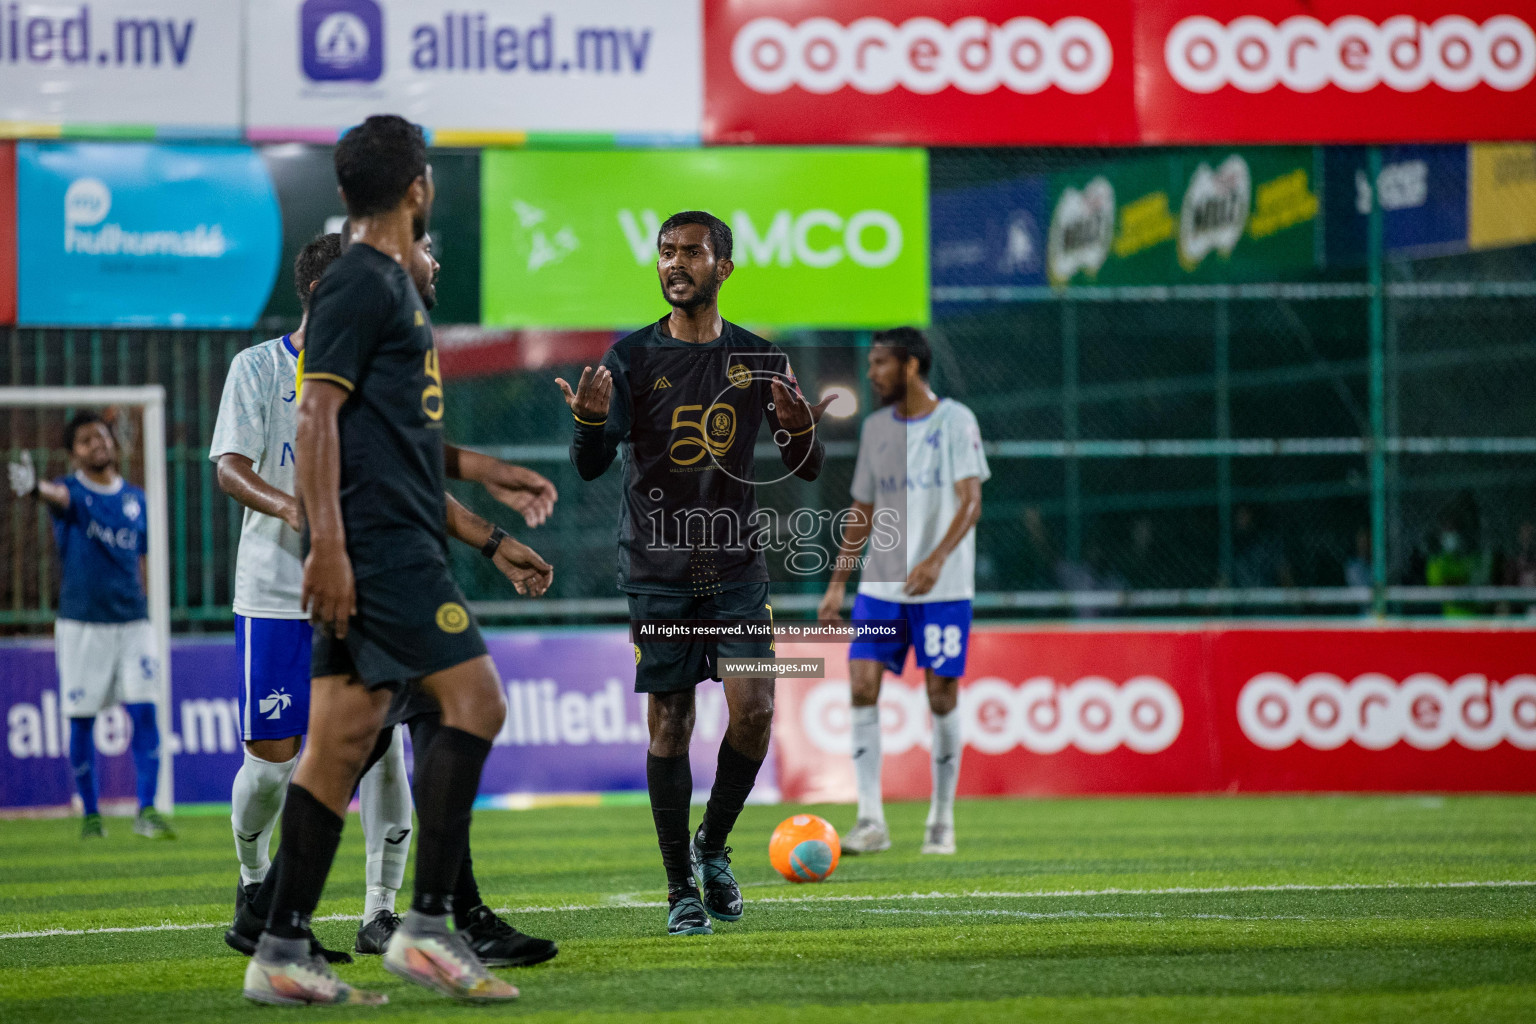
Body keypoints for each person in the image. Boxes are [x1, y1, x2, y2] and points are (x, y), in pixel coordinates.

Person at [242, 115, 550, 1006]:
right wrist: (330, 549)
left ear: (346, 190)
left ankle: (282, 949)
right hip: (380, 549)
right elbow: (313, 419)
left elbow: (395, 435)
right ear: (418, 187)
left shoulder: (385, 285)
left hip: (383, 540)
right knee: (477, 701)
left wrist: (489, 482)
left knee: (337, 742)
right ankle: (427, 927)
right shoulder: (360, 282)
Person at [558, 210, 827, 937]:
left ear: (724, 267)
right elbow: (587, 468)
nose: (675, 264)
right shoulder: (628, 361)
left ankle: (713, 846)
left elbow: (807, 467)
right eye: (666, 252)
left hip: (736, 564)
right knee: (671, 721)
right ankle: (680, 888)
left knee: (757, 710)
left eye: (692, 253)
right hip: (657, 569)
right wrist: (588, 425)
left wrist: (800, 426)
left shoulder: (763, 358)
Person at [817, 328, 989, 856]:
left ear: (911, 365)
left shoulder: (956, 421)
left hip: (942, 590)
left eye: (880, 363)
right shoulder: (874, 429)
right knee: (861, 685)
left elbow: (971, 501)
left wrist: (936, 560)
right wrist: (837, 585)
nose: (871, 373)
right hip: (881, 588)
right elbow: (861, 512)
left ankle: (941, 818)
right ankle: (871, 821)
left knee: (941, 696)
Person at [8, 413, 175, 840]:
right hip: (82, 625)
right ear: (73, 454)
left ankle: (147, 811)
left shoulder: (136, 499)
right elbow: (54, 496)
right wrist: (33, 490)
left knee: (145, 713)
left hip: (134, 623)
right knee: (81, 719)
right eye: (85, 440)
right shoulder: (72, 493)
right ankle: (92, 816)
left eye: (100, 435)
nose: (97, 443)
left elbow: (144, 559)